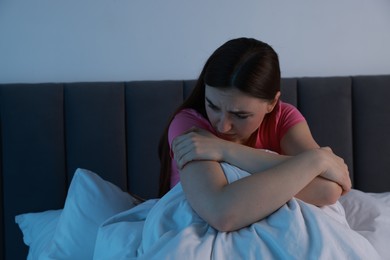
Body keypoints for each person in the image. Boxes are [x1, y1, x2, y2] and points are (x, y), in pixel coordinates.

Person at [158, 37, 351, 232]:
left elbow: (327, 190)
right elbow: (222, 214)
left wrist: (226, 150)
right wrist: (315, 161)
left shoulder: (283, 118)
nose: (223, 126)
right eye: (212, 106)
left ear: (272, 103)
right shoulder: (188, 125)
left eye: (240, 115)